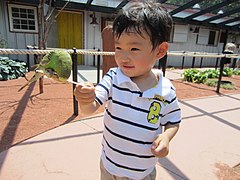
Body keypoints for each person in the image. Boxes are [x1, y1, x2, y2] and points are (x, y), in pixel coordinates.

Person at [74, 1, 181, 179]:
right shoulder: (113, 78)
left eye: (134, 48)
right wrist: (85, 100)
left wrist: (166, 137)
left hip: (141, 173)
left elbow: (173, 121)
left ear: (160, 50)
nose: (123, 57)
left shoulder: (166, 90)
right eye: (118, 47)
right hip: (108, 166)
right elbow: (89, 108)